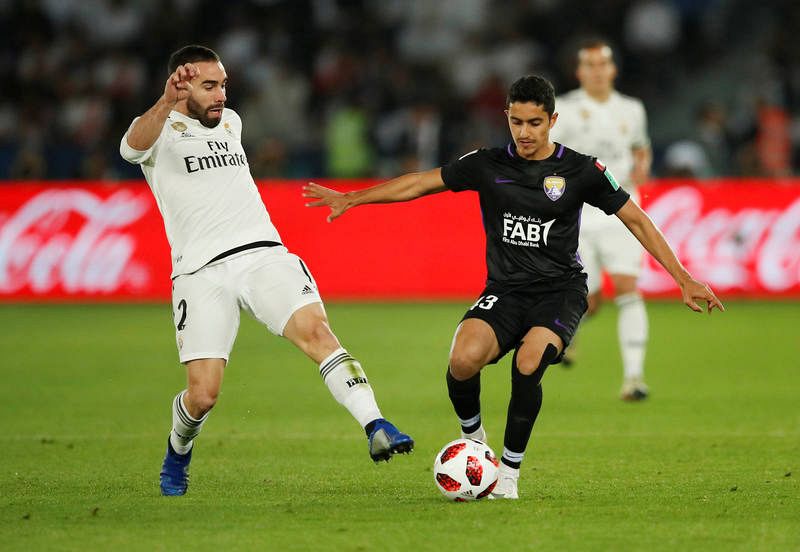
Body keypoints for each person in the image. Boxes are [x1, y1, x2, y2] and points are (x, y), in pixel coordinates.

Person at [303, 75, 724, 499]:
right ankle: (476, 440)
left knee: (528, 363)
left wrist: (683, 278)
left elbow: (635, 218)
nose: (524, 132)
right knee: (463, 360)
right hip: (505, 290)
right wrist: (354, 198)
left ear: (552, 120)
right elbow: (420, 182)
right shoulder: (487, 164)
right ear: (507, 117)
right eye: (517, 121)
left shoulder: (582, 170)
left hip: (560, 291)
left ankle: (509, 475)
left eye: (535, 123)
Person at [119, 45, 413, 497]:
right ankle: (178, 450)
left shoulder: (231, 122)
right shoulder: (159, 132)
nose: (220, 96)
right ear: (181, 85)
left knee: (317, 332)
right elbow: (130, 147)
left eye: (223, 85)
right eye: (209, 86)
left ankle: (376, 422)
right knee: (203, 395)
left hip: (263, 254)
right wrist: (163, 103)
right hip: (200, 272)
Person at [549, 39, 653, 400]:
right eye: (589, 64)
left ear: (613, 69)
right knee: (589, 300)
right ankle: (572, 336)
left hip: (623, 205)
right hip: (580, 212)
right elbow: (548, 156)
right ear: (580, 72)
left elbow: (641, 145)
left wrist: (643, 164)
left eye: (602, 63)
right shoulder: (563, 108)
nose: (596, 70)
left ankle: (634, 379)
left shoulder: (632, 109)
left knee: (627, 287)